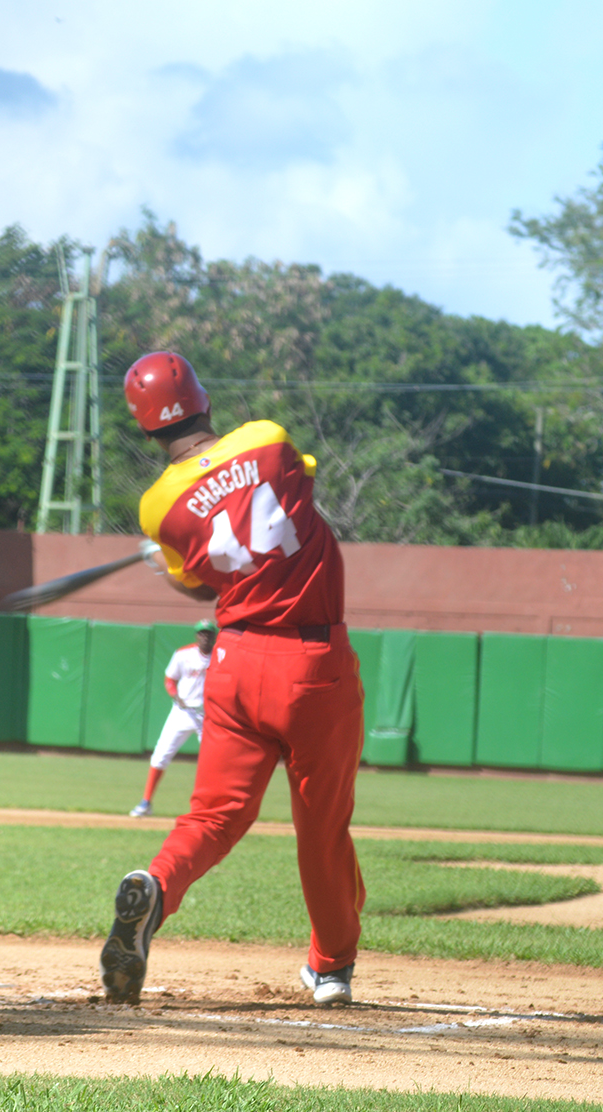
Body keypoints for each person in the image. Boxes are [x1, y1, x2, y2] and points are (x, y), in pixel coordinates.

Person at [100, 351, 365, 1007]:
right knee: (321, 827)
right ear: (203, 397)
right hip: (312, 664)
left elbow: (196, 586)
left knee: (213, 815)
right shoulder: (269, 440)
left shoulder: (158, 507)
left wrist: (161, 565)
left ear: (145, 427)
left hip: (236, 662)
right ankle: (330, 968)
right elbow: (281, 503)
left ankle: (155, 885)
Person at [129, 619, 217, 818]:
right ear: (196, 635)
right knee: (160, 755)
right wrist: (176, 696)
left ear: (214, 636)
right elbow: (170, 679)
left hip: (208, 715)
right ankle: (145, 802)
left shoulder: (220, 656)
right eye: (201, 633)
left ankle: (208, 808)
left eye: (208, 634)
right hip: (182, 712)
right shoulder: (183, 654)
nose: (205, 637)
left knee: (212, 762)